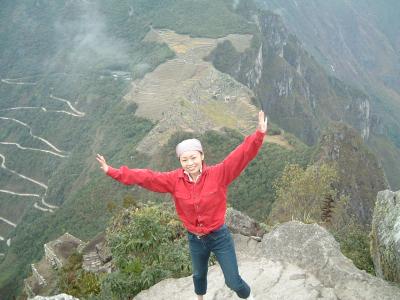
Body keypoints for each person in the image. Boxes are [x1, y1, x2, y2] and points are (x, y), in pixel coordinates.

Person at [96, 111, 267, 299]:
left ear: (202, 156)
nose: (190, 163)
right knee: (199, 275)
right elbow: (145, 177)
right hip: (195, 238)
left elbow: (242, 155)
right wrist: (112, 171)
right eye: (184, 160)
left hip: (219, 236)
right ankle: (200, 297)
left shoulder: (219, 174)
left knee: (233, 281)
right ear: (180, 161)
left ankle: (248, 297)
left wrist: (259, 134)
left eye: (193, 158)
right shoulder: (173, 180)